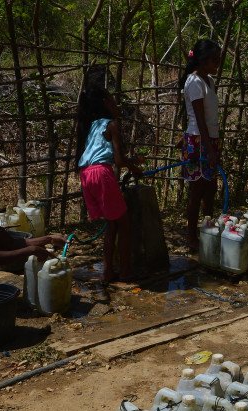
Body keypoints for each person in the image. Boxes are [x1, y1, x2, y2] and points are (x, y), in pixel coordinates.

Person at [76, 71, 144, 285]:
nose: (116, 104)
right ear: (106, 102)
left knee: (112, 224)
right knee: (123, 224)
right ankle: (124, 271)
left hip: (86, 175)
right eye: (114, 100)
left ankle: (107, 272)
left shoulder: (92, 126)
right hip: (101, 173)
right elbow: (119, 161)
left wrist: (133, 169)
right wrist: (136, 161)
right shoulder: (111, 124)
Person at [182, 39, 222, 252]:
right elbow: (198, 118)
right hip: (199, 141)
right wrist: (208, 148)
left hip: (209, 139)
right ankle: (191, 237)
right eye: (214, 60)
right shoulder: (194, 82)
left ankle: (208, 231)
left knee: (211, 188)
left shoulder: (209, 81)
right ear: (203, 60)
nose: (217, 64)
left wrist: (213, 146)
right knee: (197, 189)